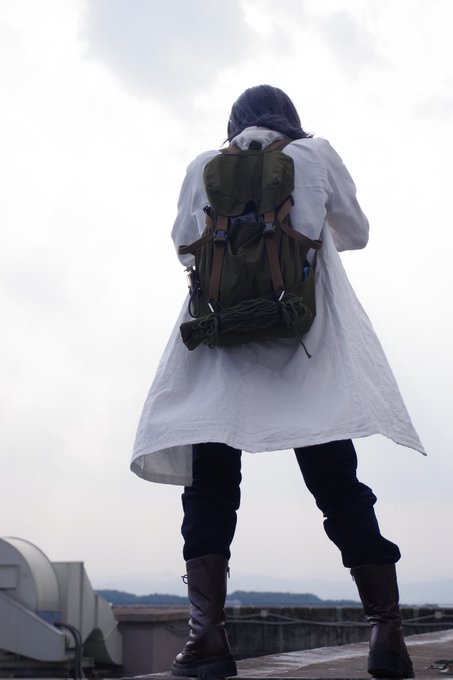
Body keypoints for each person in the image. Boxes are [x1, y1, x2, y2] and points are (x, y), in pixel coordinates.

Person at [131, 85, 425, 679]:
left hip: (221, 350)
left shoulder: (203, 165)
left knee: (210, 490)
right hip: (305, 342)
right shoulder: (314, 154)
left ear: (233, 125)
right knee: (338, 486)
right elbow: (356, 232)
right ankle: (386, 634)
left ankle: (207, 641)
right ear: (290, 119)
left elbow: (184, 249)